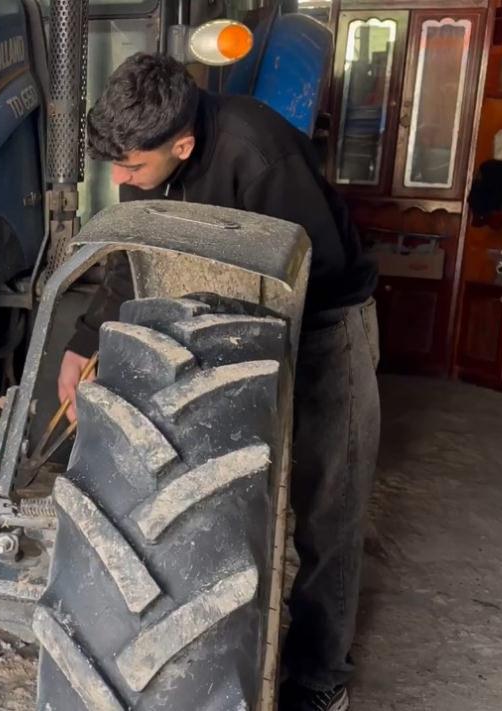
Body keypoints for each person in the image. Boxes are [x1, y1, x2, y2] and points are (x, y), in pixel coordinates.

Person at [56, 52, 381, 711]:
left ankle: (320, 675)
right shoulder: (144, 154)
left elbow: (318, 271)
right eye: (116, 164)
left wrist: (252, 363)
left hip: (322, 321)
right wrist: (82, 341)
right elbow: (134, 256)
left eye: (133, 167)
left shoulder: (260, 156)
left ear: (183, 142)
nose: (122, 177)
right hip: (213, 322)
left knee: (326, 504)